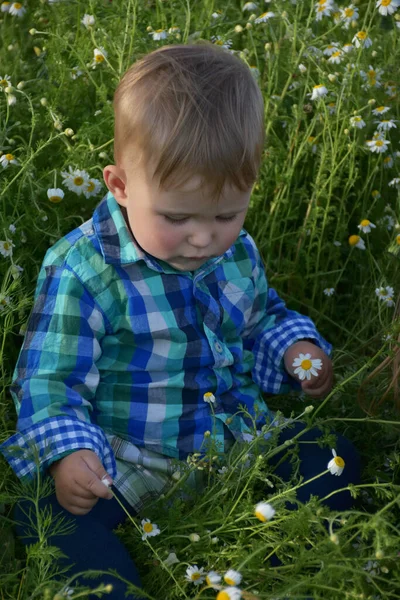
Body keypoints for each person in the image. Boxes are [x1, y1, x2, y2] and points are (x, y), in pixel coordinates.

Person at [0, 42, 360, 599]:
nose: (202, 237)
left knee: (331, 455)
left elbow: (262, 316)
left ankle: (326, 548)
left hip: (237, 440)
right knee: (53, 515)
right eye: (175, 216)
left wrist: (295, 350)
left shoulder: (235, 251)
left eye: (226, 213)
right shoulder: (85, 270)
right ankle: (109, 589)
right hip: (126, 459)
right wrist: (71, 452)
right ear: (120, 186)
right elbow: (50, 378)